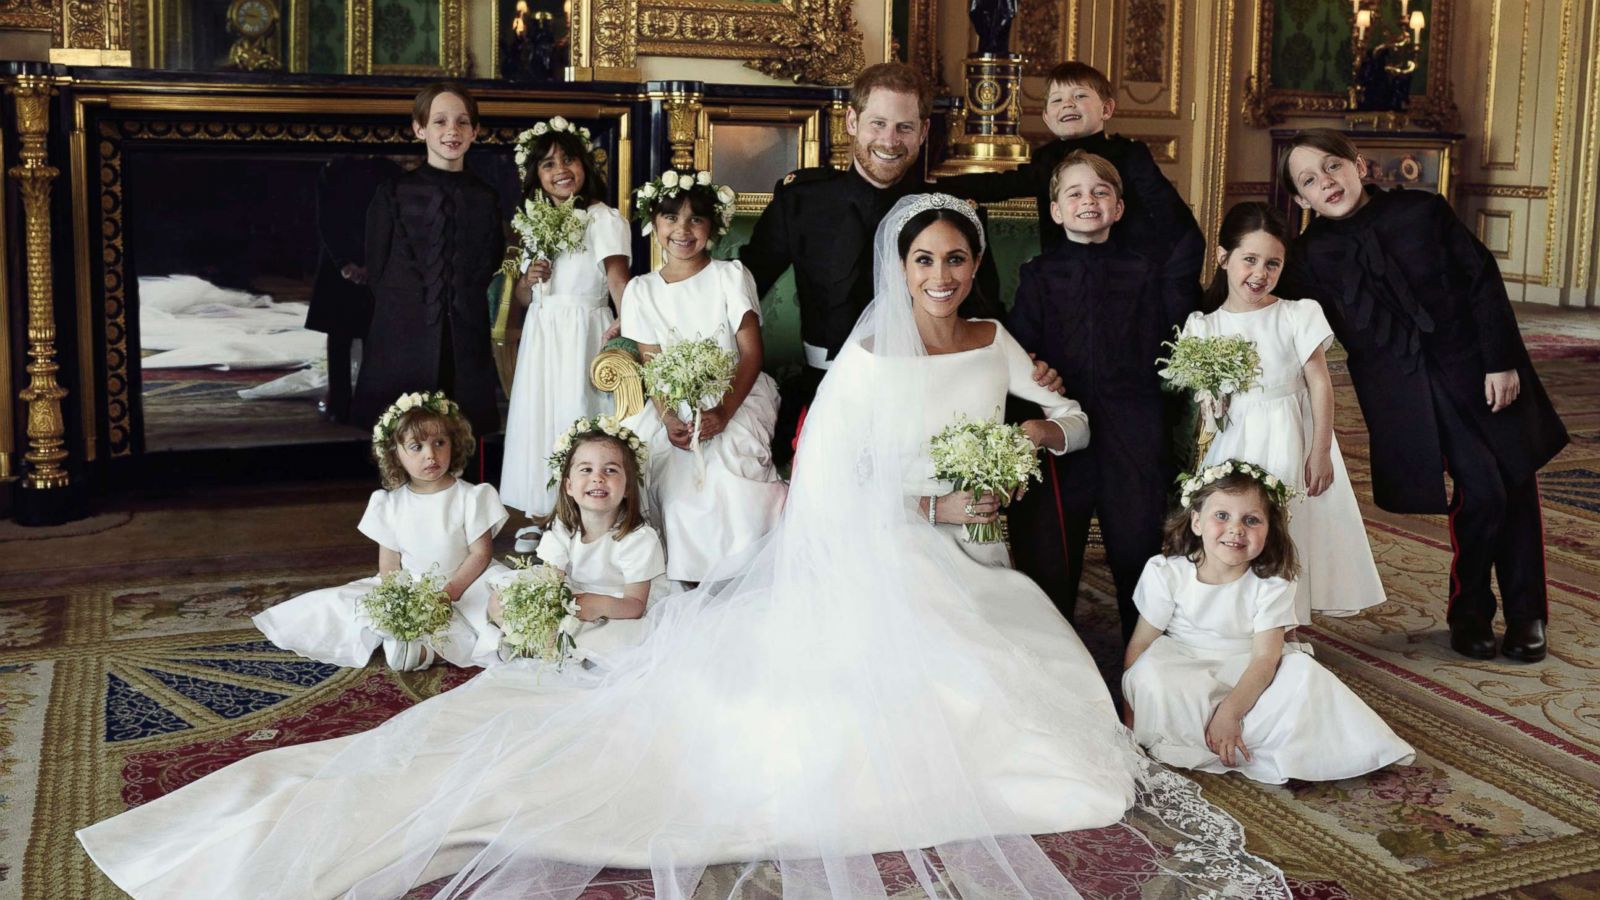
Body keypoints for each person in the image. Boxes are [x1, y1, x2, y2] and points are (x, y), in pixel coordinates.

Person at [76, 195, 1287, 900]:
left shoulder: (990, 335)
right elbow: (830, 482)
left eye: (956, 257)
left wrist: (1028, 447)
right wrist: (929, 511)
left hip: (978, 545)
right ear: (897, 268)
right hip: (893, 550)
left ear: (976, 265)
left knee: (1037, 677)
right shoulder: (867, 358)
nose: (941, 273)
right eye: (923, 259)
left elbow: (1062, 411)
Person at [1278, 129, 1568, 662]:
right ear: (1301, 199)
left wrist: (1501, 360)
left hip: (1479, 367)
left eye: (1333, 166)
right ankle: (1472, 610)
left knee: (1516, 483)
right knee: (1484, 491)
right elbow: (1277, 313)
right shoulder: (1310, 256)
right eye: (1310, 180)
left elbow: (1480, 279)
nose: (1327, 182)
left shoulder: (1422, 211)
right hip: (1407, 394)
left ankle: (1527, 616)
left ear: (1358, 165)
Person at [740, 62, 1011, 465]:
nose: (890, 140)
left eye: (904, 127)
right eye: (878, 123)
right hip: (827, 386)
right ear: (852, 121)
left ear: (923, 132)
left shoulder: (948, 212)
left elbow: (985, 314)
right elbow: (743, 283)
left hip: (928, 393)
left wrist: (1031, 363)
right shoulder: (802, 201)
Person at [1122, 461, 1415, 783]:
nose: (1236, 529)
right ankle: (1198, 736)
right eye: (1222, 516)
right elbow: (1141, 644)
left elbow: (1265, 658)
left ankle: (1246, 734)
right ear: (1196, 522)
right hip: (1185, 664)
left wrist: (1230, 711)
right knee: (1151, 674)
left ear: (1269, 531)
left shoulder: (1272, 583)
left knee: (1304, 674)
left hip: (1250, 667)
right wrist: (1129, 718)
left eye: (1251, 520)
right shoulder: (1167, 572)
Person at [1007, 152, 1195, 637]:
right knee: (1050, 551)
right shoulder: (1038, 275)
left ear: (1118, 207)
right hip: (1062, 427)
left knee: (1137, 544)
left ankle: (1144, 653)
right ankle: (1051, 648)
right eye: (1074, 193)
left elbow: (1166, 346)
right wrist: (1037, 369)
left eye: (1100, 192)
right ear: (1055, 211)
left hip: (1132, 427)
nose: (1087, 201)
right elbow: (1019, 350)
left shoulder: (1145, 272)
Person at [1180, 201, 1384, 622]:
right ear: (1223, 258)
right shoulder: (1204, 325)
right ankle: (1240, 619)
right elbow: (1202, 400)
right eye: (1249, 260)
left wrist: (1321, 450)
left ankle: (1287, 626)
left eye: (1272, 263)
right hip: (1235, 441)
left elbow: (1320, 384)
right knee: (1238, 525)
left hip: (1292, 434)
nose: (1259, 273)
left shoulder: (1296, 313)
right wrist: (1211, 397)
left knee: (1290, 526)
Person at [253, 391, 508, 671]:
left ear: (454, 443)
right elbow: (389, 563)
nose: (430, 455)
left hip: (466, 582)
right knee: (351, 607)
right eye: (416, 447)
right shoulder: (389, 504)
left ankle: (457, 646)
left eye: (439, 443)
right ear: (395, 454)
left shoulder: (471, 497)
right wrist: (401, 598)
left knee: (493, 607)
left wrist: (451, 591)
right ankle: (417, 647)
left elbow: (480, 553)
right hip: (414, 586)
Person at [620, 170, 787, 583]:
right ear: (654, 224)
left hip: (735, 395)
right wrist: (667, 417)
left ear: (713, 226)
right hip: (673, 402)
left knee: (731, 482)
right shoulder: (640, 290)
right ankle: (687, 576)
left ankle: (747, 572)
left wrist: (725, 411)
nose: (682, 229)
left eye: (696, 219)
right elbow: (653, 367)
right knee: (677, 488)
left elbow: (751, 354)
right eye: (671, 217)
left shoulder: (730, 275)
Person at [499, 118, 632, 546]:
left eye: (569, 159)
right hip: (544, 335)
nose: (561, 169)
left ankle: (580, 515)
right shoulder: (534, 224)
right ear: (535, 176)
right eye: (549, 164)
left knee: (577, 412)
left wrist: (628, 322)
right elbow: (524, 298)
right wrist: (528, 279)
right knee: (541, 416)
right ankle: (540, 513)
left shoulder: (602, 218)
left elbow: (617, 280)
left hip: (582, 333)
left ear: (585, 166)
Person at [937, 61, 1202, 270]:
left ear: (1107, 109)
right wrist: (935, 186)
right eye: (1057, 100)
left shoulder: (1129, 154)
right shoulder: (1047, 159)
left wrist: (1162, 269)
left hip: (1127, 271)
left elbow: (1169, 215)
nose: (1068, 104)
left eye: (1080, 96)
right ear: (1046, 118)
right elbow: (1000, 184)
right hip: (1065, 271)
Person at [351, 82, 505, 439]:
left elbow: (489, 262)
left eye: (463, 122)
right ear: (420, 129)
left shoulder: (486, 198)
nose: (452, 131)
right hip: (402, 336)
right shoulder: (392, 193)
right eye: (440, 122)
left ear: (475, 131)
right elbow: (377, 268)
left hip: (464, 337)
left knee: (462, 434)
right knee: (401, 436)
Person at [492, 416, 668, 667]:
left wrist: (594, 605)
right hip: (574, 597)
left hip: (618, 608)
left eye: (610, 470)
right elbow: (551, 578)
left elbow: (636, 606)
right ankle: (533, 636)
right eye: (586, 469)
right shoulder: (563, 529)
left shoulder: (638, 539)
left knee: (614, 640)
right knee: (499, 597)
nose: (598, 478)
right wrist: (543, 605)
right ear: (569, 486)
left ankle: (552, 646)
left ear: (628, 487)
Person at [305, 154, 401, 423]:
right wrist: (344, 262)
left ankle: (368, 401)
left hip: (375, 265)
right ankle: (341, 402)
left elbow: (395, 220)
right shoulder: (337, 169)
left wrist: (374, 264)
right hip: (346, 263)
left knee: (374, 337)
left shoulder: (388, 171)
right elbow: (328, 219)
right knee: (340, 336)